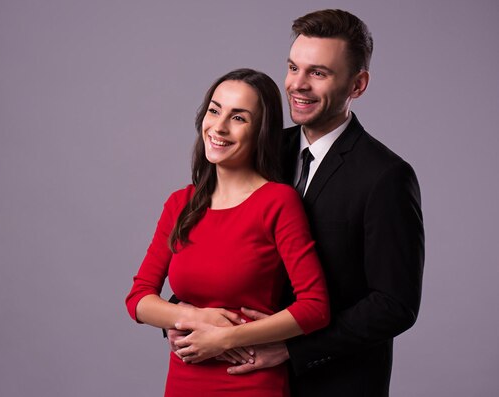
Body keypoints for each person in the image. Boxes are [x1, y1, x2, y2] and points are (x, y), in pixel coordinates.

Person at [166, 9, 425, 397]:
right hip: (240, 378)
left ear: (358, 84)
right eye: (293, 67)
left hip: (334, 382)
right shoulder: (259, 148)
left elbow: (394, 304)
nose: (297, 85)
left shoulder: (385, 177)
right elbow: (209, 237)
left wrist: (290, 348)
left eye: (318, 73)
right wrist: (182, 312)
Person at [125, 68, 330, 397]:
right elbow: (138, 299)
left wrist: (225, 338)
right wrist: (193, 318)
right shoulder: (180, 203)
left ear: (260, 132)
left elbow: (315, 307)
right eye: (214, 110)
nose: (219, 127)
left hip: (250, 380)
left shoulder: (277, 202)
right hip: (184, 380)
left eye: (238, 118)